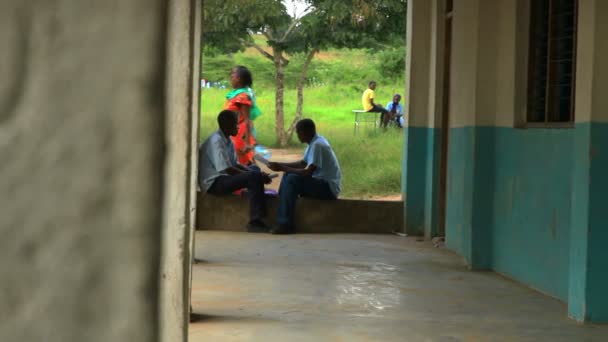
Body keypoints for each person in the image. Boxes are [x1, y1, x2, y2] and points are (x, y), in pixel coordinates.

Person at [198, 110, 273, 233]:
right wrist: (256, 176)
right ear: (226, 125)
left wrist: (256, 174)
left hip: (223, 178)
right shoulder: (216, 141)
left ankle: (253, 197)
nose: (238, 127)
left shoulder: (227, 140)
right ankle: (255, 222)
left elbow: (236, 164)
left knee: (254, 169)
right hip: (214, 184)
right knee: (253, 176)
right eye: (235, 124)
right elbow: (227, 169)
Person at [268, 119, 341, 234]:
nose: (297, 135)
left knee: (292, 179)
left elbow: (307, 172)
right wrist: (280, 165)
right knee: (288, 175)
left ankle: (285, 223)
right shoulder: (313, 142)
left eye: (299, 132)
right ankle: (282, 217)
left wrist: (282, 167)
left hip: (328, 188)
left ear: (308, 131)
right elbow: (303, 163)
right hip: (320, 184)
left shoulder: (317, 145)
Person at [224, 65, 262, 166]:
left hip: (240, 136)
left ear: (239, 79)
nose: (231, 78)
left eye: (232, 75)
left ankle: (256, 178)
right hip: (233, 134)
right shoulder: (234, 95)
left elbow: (247, 120)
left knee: (242, 164)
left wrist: (247, 142)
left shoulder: (242, 96)